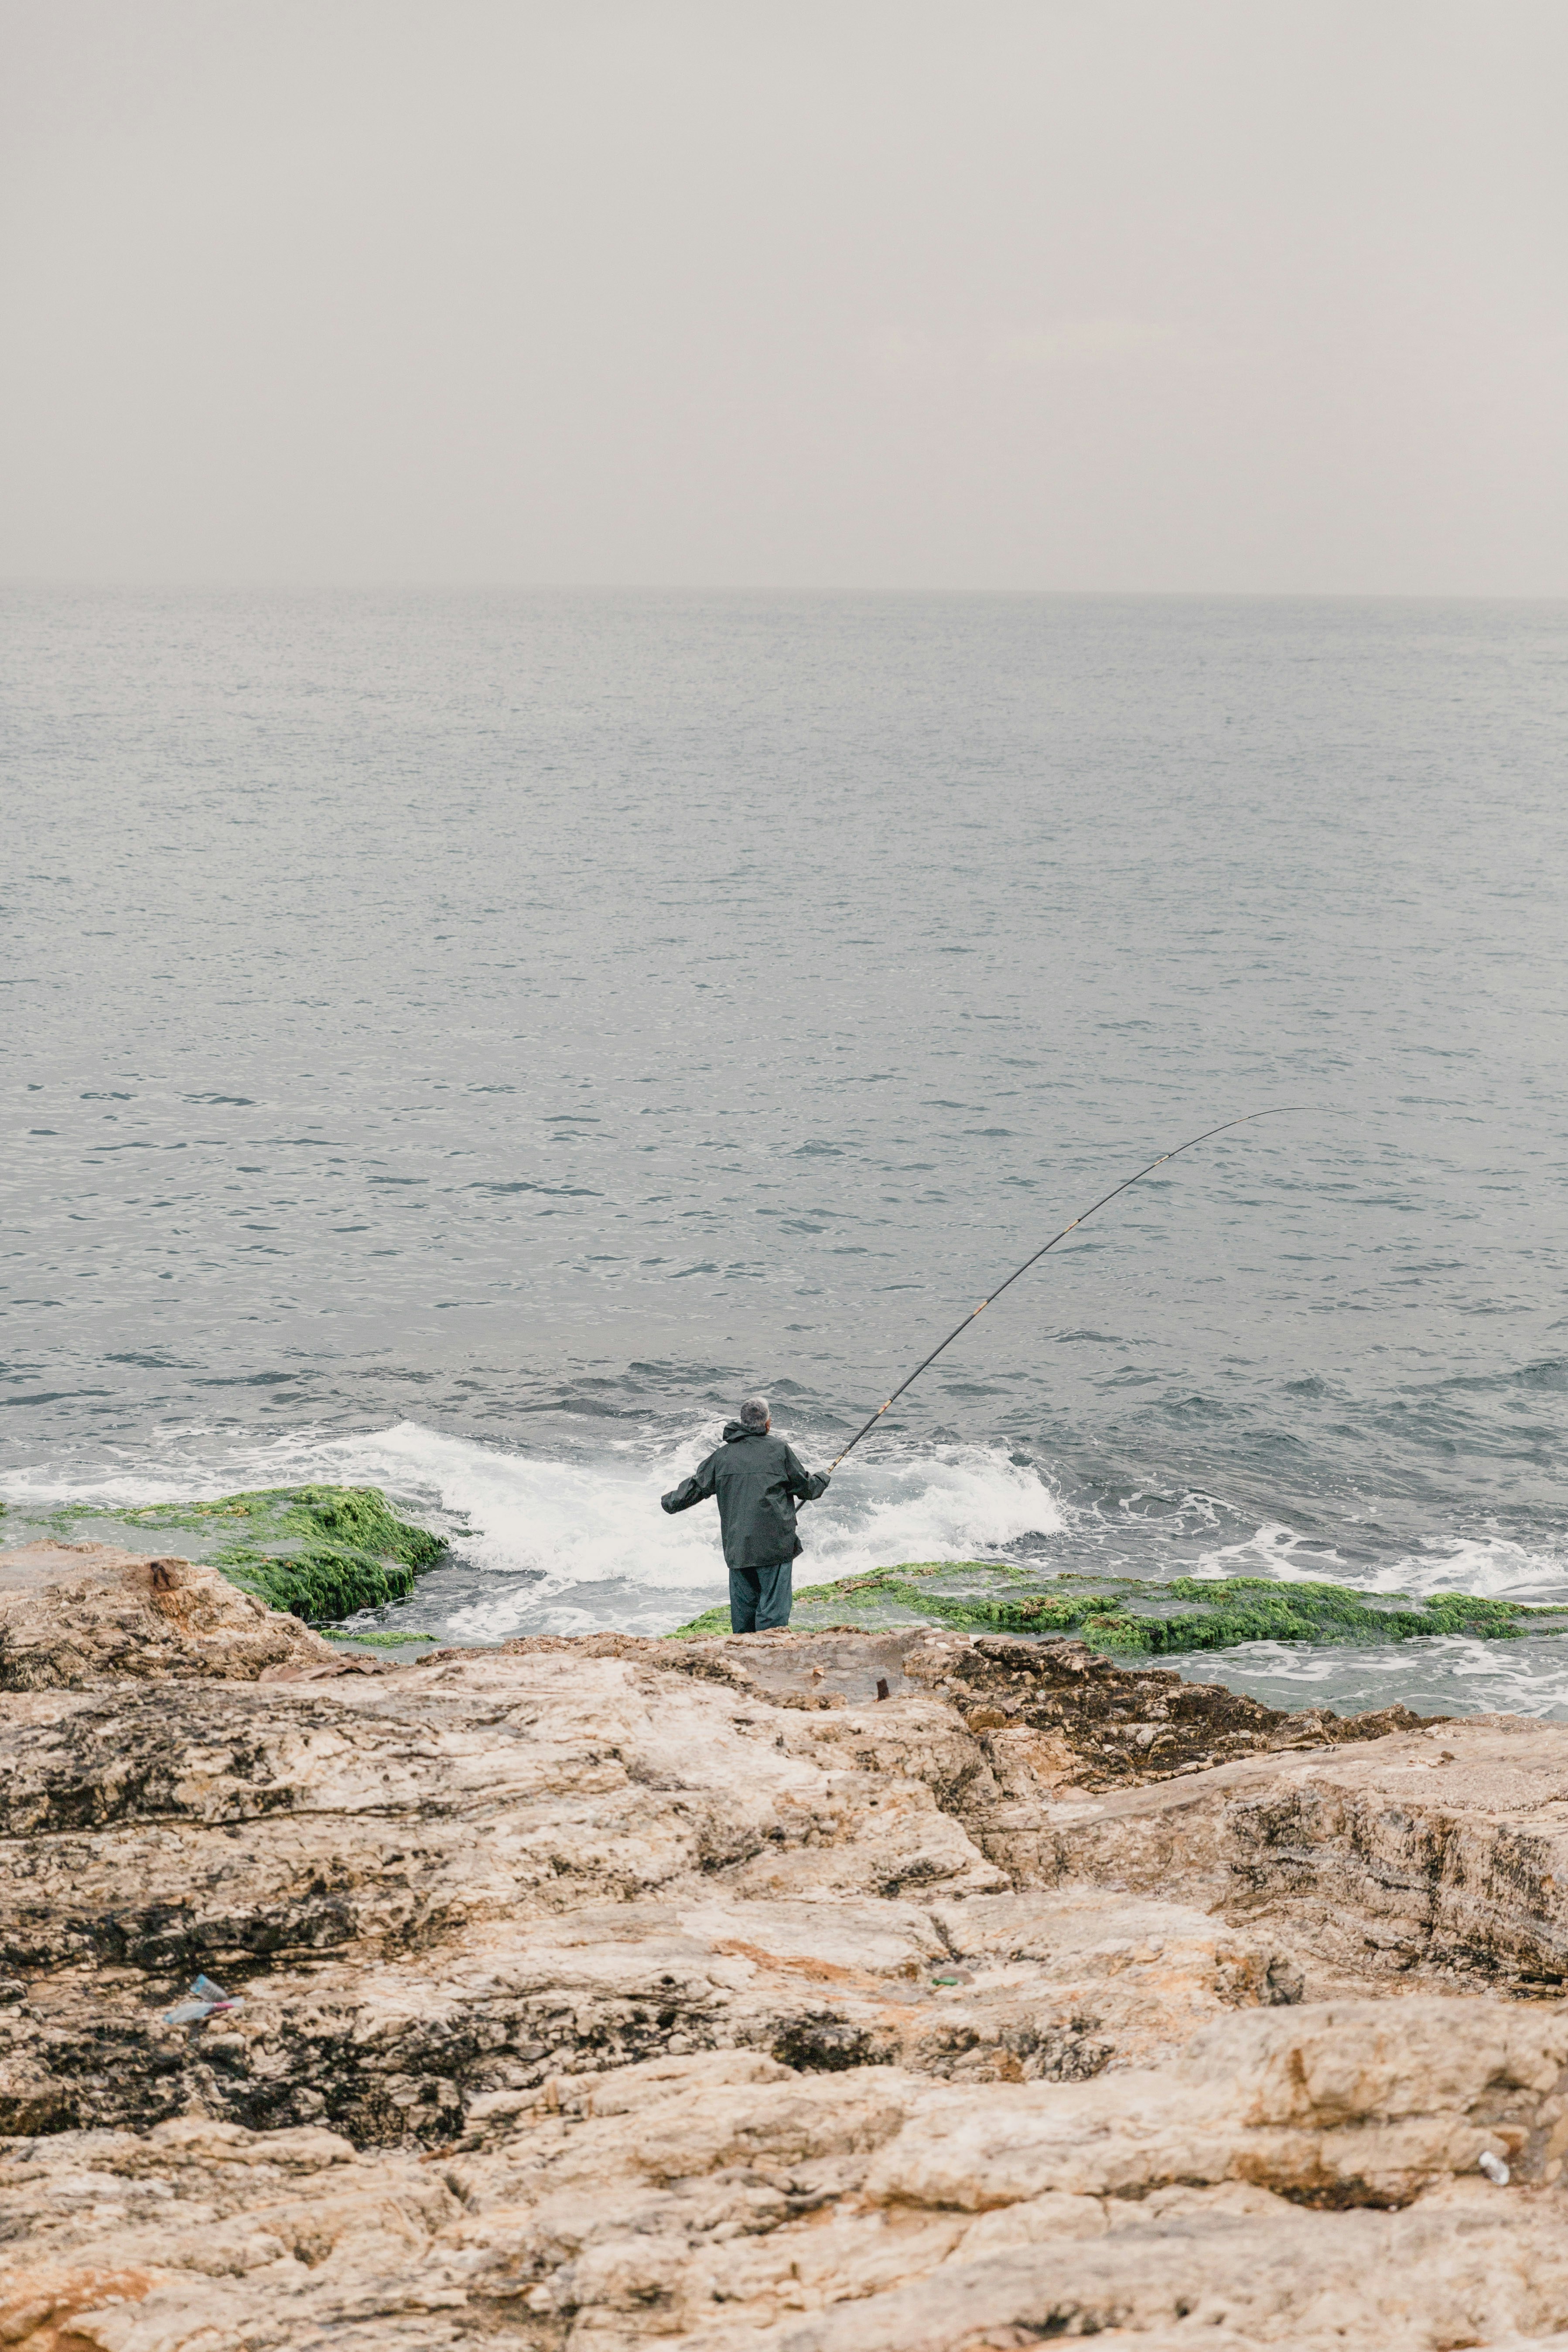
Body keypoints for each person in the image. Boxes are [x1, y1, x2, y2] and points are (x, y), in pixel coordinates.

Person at [660, 1397, 830, 1632]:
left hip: (739, 1546)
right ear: (768, 1423)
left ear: (742, 1422)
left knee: (744, 1614)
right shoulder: (779, 1450)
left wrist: (668, 1503)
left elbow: (695, 1489)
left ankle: (743, 1656)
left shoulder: (722, 1457)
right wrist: (822, 1479)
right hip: (775, 1545)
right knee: (773, 1613)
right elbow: (807, 1489)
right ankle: (768, 1657)